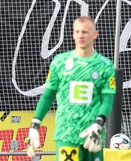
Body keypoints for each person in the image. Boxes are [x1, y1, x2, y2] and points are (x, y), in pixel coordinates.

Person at [26, 16, 116, 161]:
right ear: (73, 34)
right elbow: (48, 96)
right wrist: (35, 124)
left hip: (92, 133)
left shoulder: (105, 65)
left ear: (95, 34)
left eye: (85, 32)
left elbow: (107, 100)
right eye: (77, 32)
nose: (80, 35)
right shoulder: (60, 62)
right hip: (66, 132)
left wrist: (98, 123)